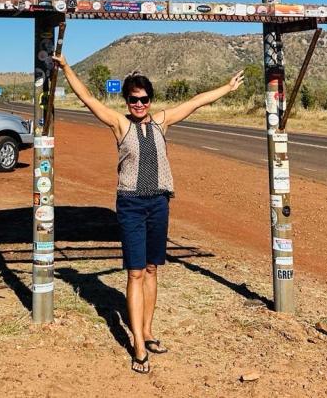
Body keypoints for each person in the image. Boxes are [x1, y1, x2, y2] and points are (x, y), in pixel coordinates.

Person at [53, 55, 245, 374]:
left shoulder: (161, 122)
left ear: (150, 100)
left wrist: (226, 87)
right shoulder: (120, 124)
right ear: (127, 100)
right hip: (130, 204)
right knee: (135, 272)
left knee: (153, 268)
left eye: (143, 99)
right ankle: (138, 347)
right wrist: (68, 69)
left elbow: (196, 102)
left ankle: (148, 331)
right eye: (133, 99)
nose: (139, 104)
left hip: (159, 203)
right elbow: (87, 98)